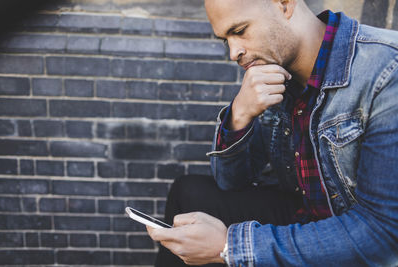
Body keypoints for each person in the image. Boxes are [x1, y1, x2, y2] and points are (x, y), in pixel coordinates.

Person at [147, 0, 398, 266]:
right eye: (225, 40)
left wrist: (228, 245)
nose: (234, 52)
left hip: (360, 235)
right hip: (306, 214)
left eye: (240, 30)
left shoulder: (386, 69)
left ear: (284, 4)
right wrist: (239, 115)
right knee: (189, 195)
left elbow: (383, 236)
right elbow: (231, 182)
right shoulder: (273, 73)